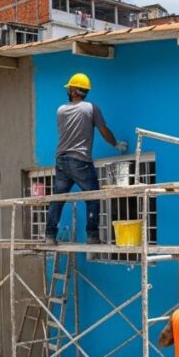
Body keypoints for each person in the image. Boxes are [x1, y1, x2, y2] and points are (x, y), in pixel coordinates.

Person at [45, 73, 127, 245]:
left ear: (74, 91)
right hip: (80, 159)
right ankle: (92, 235)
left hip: (61, 159)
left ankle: (49, 236)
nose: (68, 91)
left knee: (58, 198)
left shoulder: (60, 110)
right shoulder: (91, 108)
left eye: (69, 89)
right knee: (93, 196)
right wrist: (117, 145)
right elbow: (103, 130)